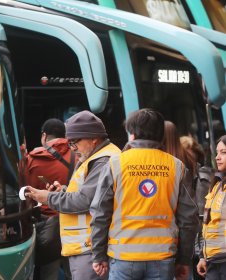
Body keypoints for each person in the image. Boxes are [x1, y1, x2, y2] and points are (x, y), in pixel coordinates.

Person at [90, 108, 198, 280]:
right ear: (161, 135)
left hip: (123, 255)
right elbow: (188, 219)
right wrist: (184, 259)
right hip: (162, 257)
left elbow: (100, 214)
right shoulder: (177, 167)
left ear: (132, 134)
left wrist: (98, 254)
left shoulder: (115, 164)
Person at [26, 110, 121, 280]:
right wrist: (63, 191)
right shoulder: (95, 157)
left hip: (90, 248)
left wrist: (46, 197)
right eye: (70, 143)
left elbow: (84, 200)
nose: (72, 148)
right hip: (87, 247)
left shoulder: (103, 160)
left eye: (75, 142)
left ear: (93, 138)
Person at [24, 118, 76, 280]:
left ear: (44, 136)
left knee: (49, 274)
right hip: (74, 224)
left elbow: (26, 196)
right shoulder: (77, 156)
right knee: (74, 272)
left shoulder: (31, 159)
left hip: (48, 229)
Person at [181, 135, 213, 280]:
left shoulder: (204, 178)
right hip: (191, 248)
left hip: (201, 248)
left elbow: (203, 217)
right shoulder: (179, 177)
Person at [196, 135, 226, 280]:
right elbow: (207, 222)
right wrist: (202, 256)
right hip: (213, 261)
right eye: (217, 153)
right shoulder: (215, 186)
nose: (218, 157)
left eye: (224, 153)